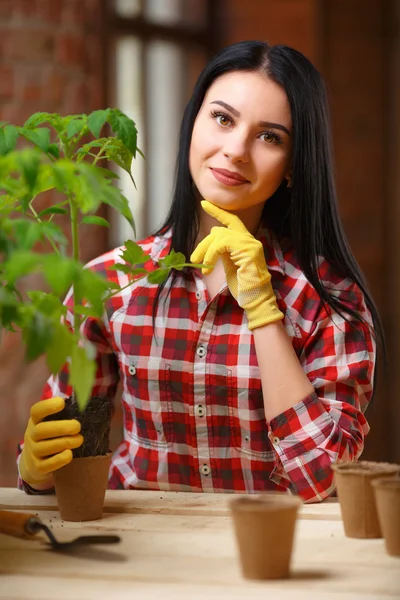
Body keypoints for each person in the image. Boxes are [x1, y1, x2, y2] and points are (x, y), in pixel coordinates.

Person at [17, 40, 383, 503]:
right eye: (223, 119)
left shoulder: (329, 302)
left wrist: (262, 306)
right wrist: (36, 468)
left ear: (292, 166)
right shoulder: (110, 285)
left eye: (270, 137)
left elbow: (322, 479)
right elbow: (64, 469)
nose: (235, 151)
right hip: (136, 553)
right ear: (192, 125)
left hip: (272, 557)